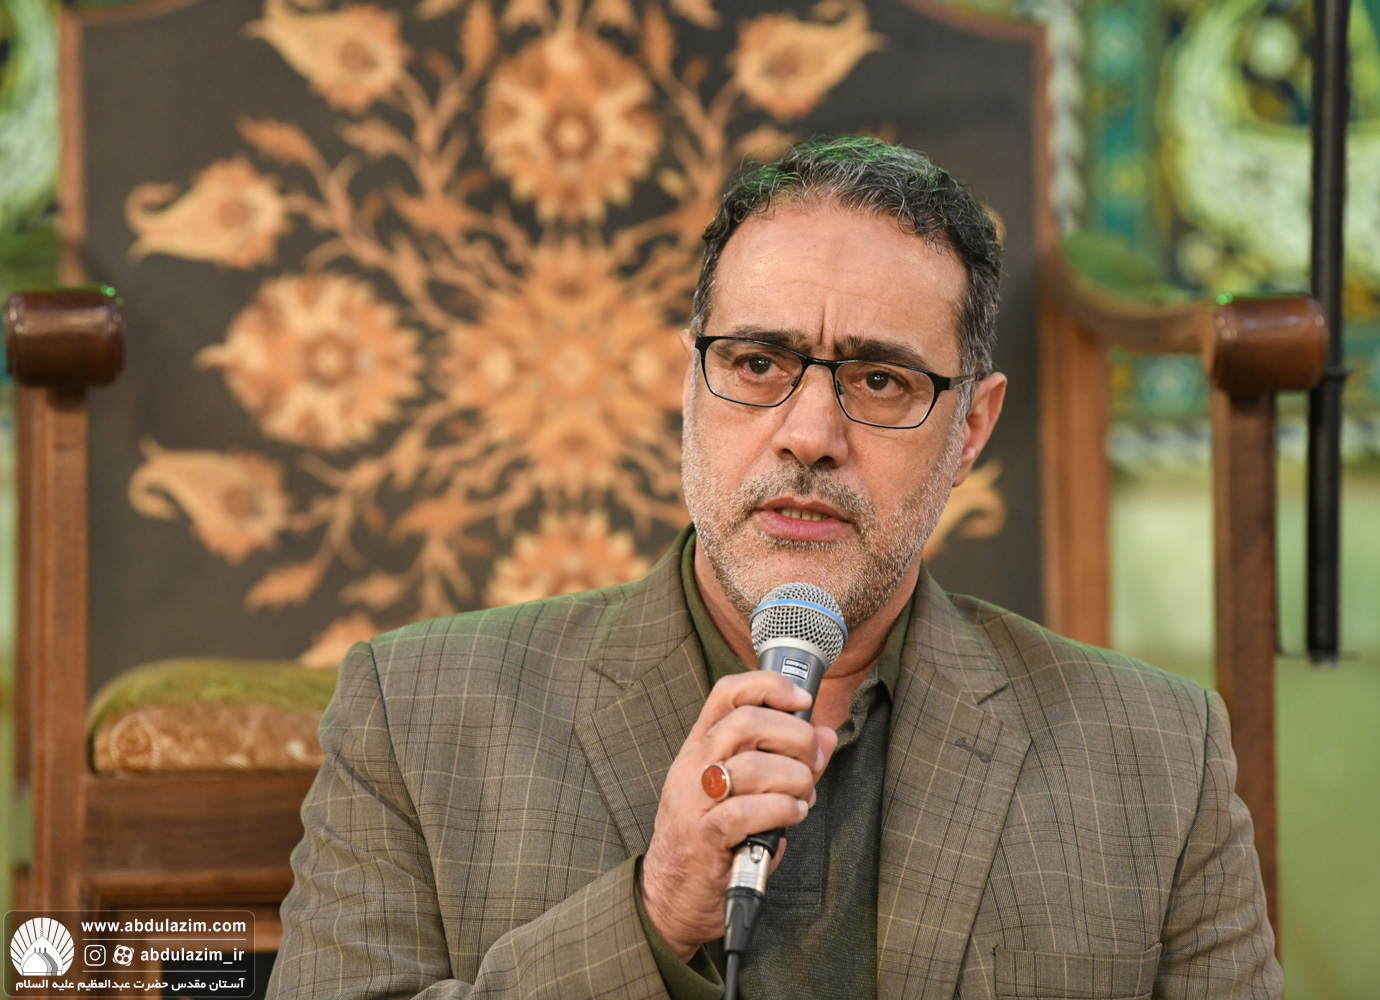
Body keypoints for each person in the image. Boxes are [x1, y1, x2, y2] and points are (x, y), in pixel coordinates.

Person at [267, 136, 1280, 1000]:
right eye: (758, 364)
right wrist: (655, 911)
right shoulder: (418, 712)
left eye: (879, 380)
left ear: (971, 429)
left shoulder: (1157, 757)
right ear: (691, 383)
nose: (809, 435)